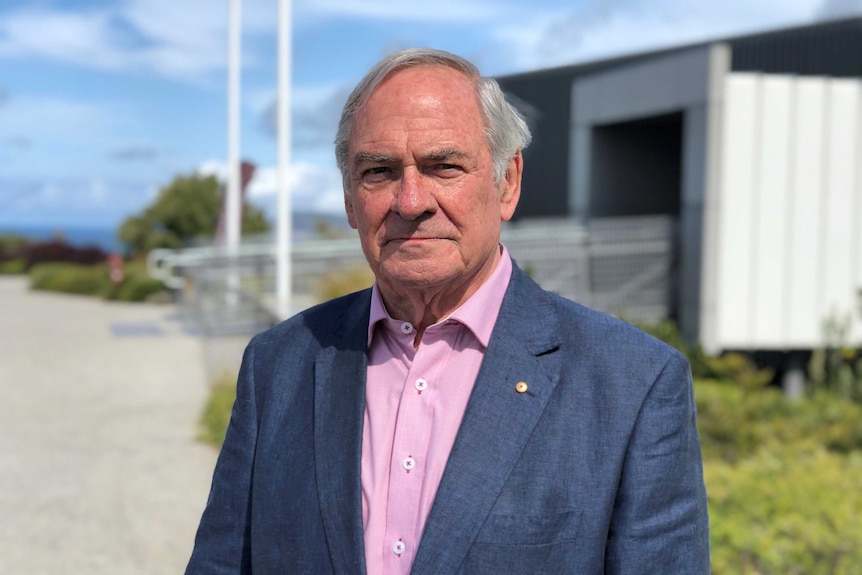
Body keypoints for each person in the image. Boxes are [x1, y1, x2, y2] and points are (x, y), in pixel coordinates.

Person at [185, 48, 710, 575]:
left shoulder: (633, 384)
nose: (411, 201)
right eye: (379, 171)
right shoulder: (277, 365)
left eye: (444, 166)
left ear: (507, 183)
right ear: (349, 198)